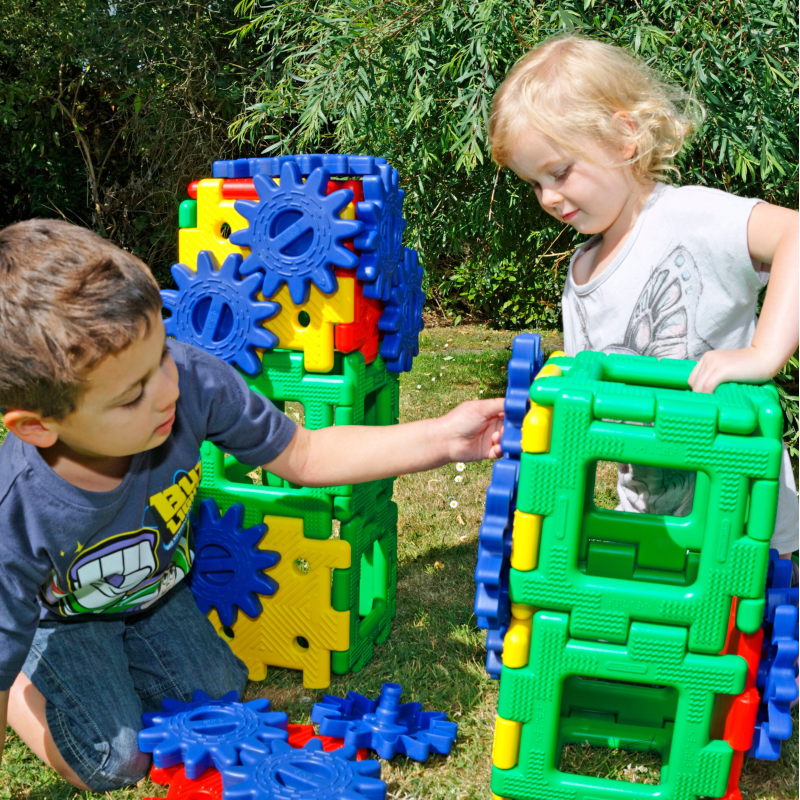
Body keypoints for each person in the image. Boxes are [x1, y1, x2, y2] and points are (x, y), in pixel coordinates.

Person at [0, 219, 505, 792]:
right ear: (40, 427)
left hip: (156, 596)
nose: (166, 389)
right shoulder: (15, 511)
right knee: (114, 763)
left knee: (220, 696)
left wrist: (446, 438)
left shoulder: (193, 382)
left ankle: (113, 663)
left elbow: (307, 454)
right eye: (133, 394)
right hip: (61, 620)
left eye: (160, 354)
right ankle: (26, 683)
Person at [489, 35, 798, 552]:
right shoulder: (582, 270)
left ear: (623, 136)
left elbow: (794, 235)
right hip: (648, 519)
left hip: (741, 512)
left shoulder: (688, 218)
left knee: (746, 628)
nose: (548, 197)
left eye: (560, 172)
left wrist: (762, 354)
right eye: (534, 182)